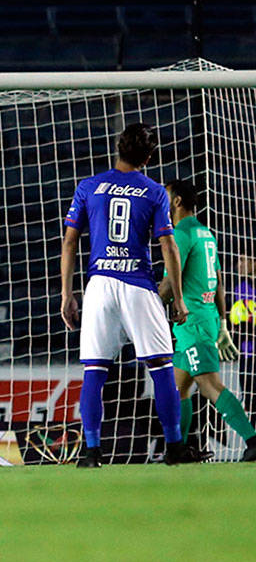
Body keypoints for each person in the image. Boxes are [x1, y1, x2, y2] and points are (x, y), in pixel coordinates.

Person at [60, 123, 188, 467]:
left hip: (99, 284)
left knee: (95, 371)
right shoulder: (154, 191)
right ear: (148, 156)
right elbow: (168, 246)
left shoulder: (88, 186)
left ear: (117, 149)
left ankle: (91, 452)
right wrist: (177, 297)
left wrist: (66, 294)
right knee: (161, 366)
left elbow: (70, 242)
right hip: (137, 282)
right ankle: (175, 448)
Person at [161, 179, 256, 461]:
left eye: (166, 196)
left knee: (209, 385)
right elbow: (219, 282)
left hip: (193, 323)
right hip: (205, 319)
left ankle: (252, 439)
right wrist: (224, 323)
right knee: (178, 388)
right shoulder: (206, 232)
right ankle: (178, 450)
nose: (163, 201)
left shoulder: (180, 233)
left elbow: (168, 284)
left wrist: (144, 304)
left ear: (177, 202)